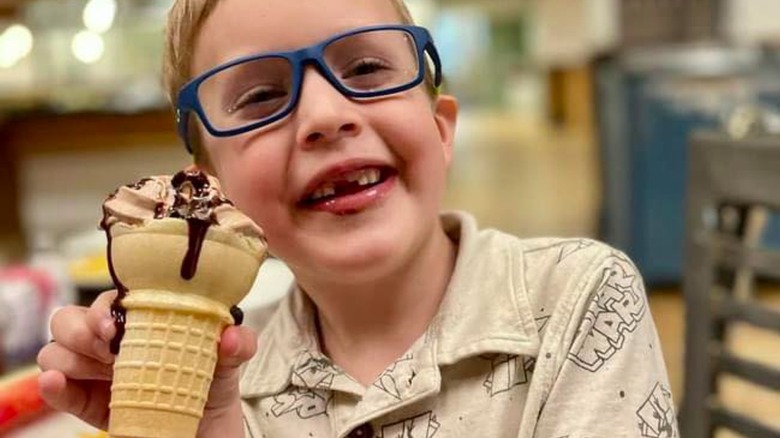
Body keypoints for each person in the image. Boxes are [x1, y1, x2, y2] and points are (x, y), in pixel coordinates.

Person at [37, 0, 679, 437]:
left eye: (367, 68)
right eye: (260, 96)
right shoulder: (223, 382)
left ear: (440, 129)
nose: (324, 115)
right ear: (214, 192)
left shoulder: (577, 298)